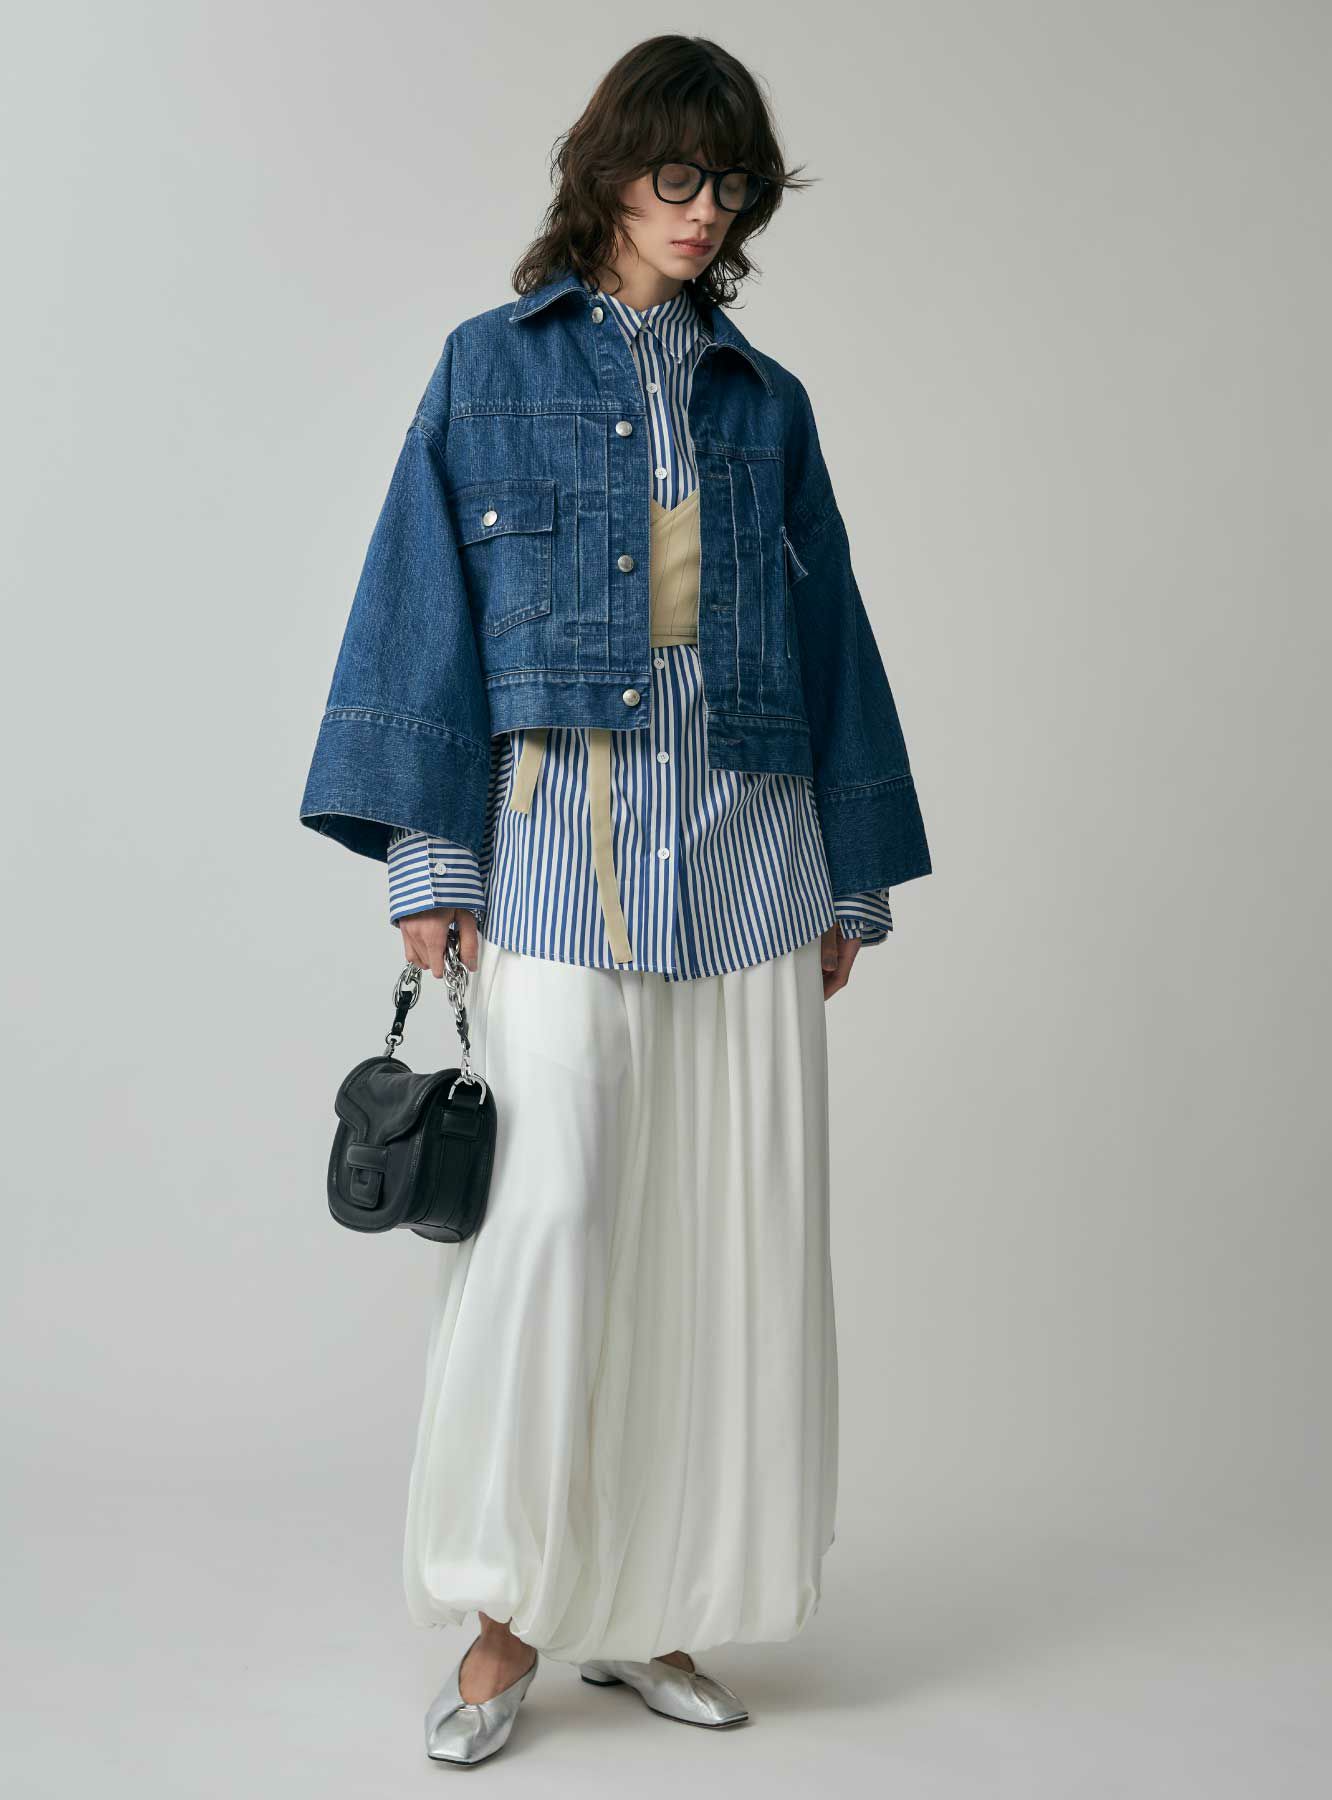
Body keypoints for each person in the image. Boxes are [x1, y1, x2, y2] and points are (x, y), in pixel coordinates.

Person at [300, 33, 932, 1765]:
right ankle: (508, 1622)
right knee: (553, 1227)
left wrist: (852, 879)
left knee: (719, 1245)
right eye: (676, 174)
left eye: (730, 185)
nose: (702, 208)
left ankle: (655, 1610)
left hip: (748, 862)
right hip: (558, 861)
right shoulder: (485, 369)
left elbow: (830, 635)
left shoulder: (765, 400)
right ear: (608, 171)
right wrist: (433, 864)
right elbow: (418, 613)